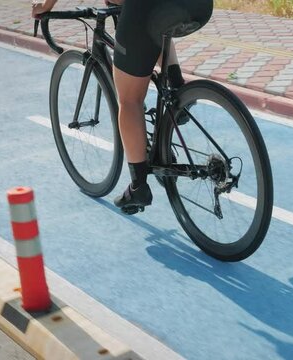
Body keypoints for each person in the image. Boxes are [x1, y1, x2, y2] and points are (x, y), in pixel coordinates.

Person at [32, 0, 213, 213]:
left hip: (150, 8)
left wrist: (45, 6)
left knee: (129, 100)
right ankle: (177, 89)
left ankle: (138, 187)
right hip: (199, 7)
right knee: (157, 24)